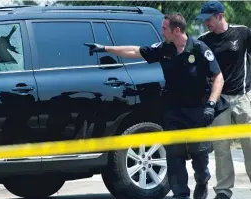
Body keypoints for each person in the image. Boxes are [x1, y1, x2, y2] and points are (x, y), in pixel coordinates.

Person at [85, 13, 227, 199]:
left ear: (176, 30)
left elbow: (218, 77)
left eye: (164, 28)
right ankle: (180, 194)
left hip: (197, 110)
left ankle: (202, 181)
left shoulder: (199, 49)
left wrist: (211, 104)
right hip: (173, 110)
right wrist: (105, 48)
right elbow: (135, 51)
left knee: (199, 155)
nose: (161, 32)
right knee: (174, 155)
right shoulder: (164, 48)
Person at [196, 1, 251, 199]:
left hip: (243, 96)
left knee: (250, 145)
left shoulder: (243, 33)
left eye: (209, 19)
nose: (206, 24)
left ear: (220, 16)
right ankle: (223, 191)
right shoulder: (203, 40)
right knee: (221, 148)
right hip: (218, 101)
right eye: (204, 21)